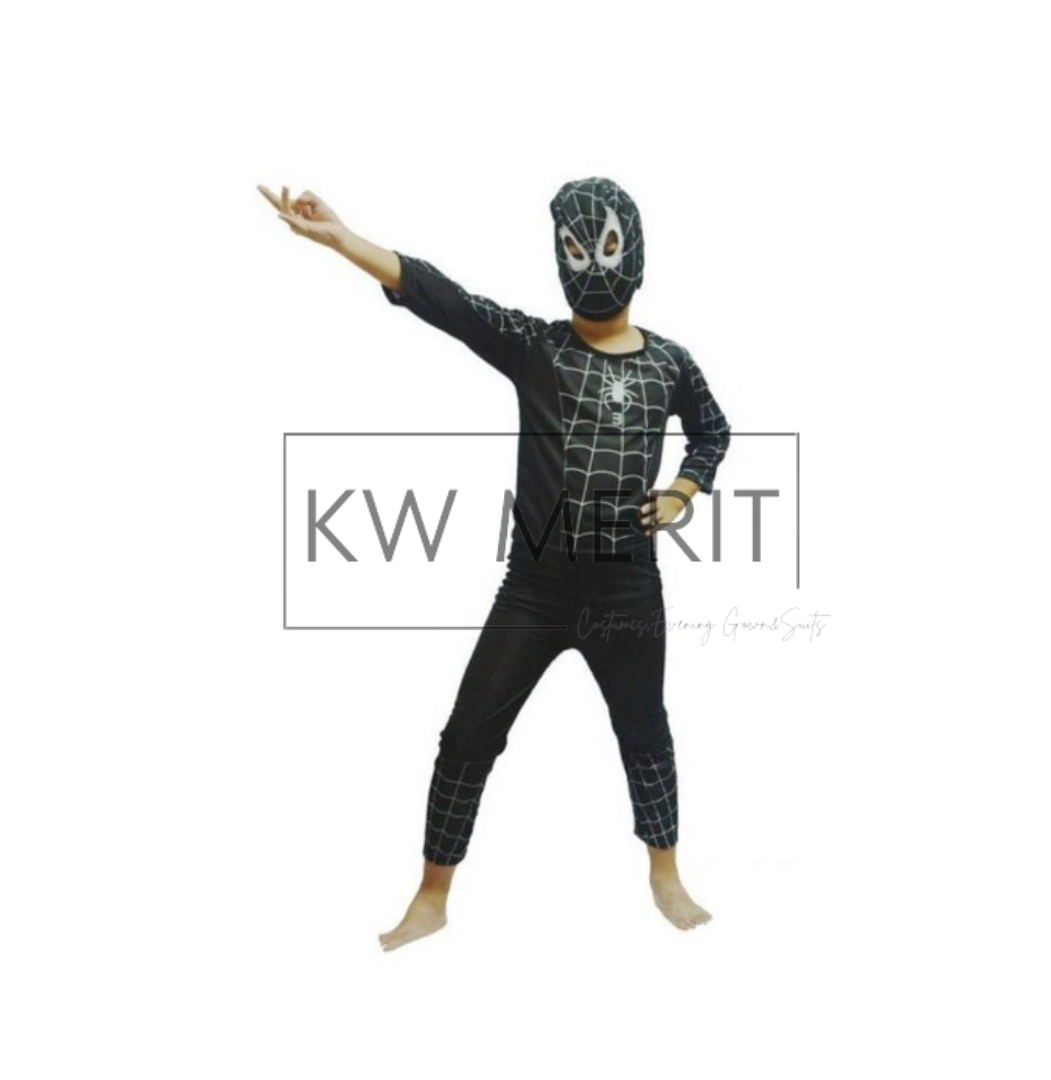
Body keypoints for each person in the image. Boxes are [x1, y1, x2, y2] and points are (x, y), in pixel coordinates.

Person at [258, 177, 732, 950]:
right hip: (535, 589)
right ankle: (432, 897)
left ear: (636, 251)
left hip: (627, 588)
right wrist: (344, 240)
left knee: (645, 732)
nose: (594, 264)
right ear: (560, 259)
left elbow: (713, 430)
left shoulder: (671, 364)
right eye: (577, 249)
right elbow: (444, 298)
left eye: (607, 246)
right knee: (467, 737)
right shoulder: (535, 347)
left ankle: (666, 876)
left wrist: (684, 489)